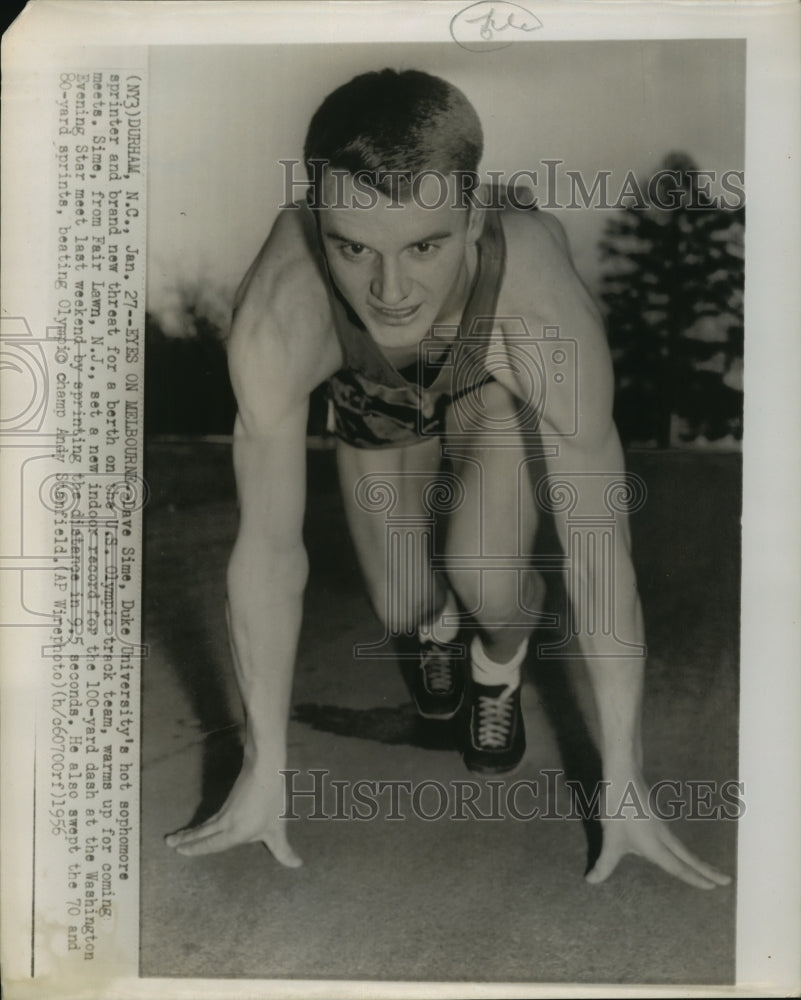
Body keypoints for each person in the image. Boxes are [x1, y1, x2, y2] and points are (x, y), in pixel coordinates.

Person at [166, 68, 730, 889]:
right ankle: (434, 634)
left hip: (486, 387)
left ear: (472, 215)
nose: (389, 292)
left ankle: (492, 668)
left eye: (423, 245)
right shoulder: (280, 314)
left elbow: (599, 557)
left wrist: (625, 780)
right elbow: (267, 554)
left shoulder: (540, 310)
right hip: (371, 403)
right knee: (403, 606)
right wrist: (264, 765)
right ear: (318, 217)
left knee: (488, 583)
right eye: (352, 247)